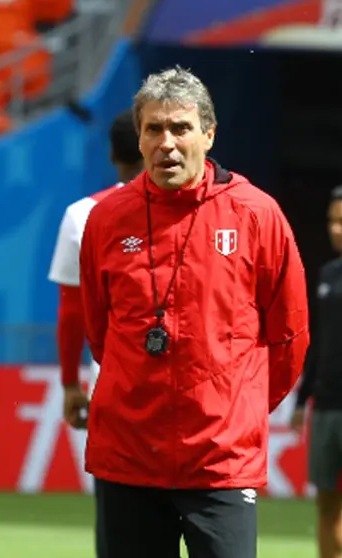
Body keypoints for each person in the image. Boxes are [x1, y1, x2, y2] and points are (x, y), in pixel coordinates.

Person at [79, 66, 309, 558]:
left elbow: (290, 334)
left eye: (180, 128)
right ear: (138, 139)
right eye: (154, 129)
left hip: (220, 459)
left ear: (208, 133)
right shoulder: (105, 219)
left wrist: (238, 408)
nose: (167, 142)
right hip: (129, 454)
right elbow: (99, 329)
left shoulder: (257, 214)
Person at [48, 110, 143, 430]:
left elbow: (72, 313)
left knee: (117, 477)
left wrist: (70, 385)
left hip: (113, 385)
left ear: (113, 153)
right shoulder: (197, 210)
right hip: (186, 386)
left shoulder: (82, 215)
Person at [291, 184, 342, 558]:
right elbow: (317, 341)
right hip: (326, 406)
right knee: (328, 503)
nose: (335, 229)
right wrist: (302, 398)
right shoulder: (328, 273)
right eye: (332, 221)